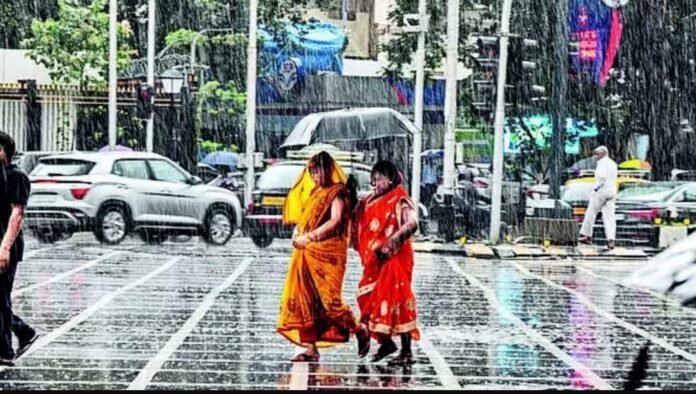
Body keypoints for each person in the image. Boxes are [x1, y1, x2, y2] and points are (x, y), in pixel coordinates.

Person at [277, 151, 369, 362]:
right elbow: (305, 219)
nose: (315, 175)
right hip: (306, 252)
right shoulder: (316, 192)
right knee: (306, 299)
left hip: (328, 254)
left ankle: (358, 329)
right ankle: (309, 347)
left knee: (330, 301)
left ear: (328, 169)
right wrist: (298, 233)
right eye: (311, 171)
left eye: (317, 170)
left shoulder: (338, 193)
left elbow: (336, 221)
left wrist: (310, 237)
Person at [353, 160, 420, 366]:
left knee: (397, 300)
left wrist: (392, 242)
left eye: (379, 179)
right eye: (373, 179)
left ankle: (407, 352)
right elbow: (355, 218)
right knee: (368, 299)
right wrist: (350, 191)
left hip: (395, 259)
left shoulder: (400, 199)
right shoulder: (370, 200)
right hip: (375, 262)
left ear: (390, 179)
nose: (375, 183)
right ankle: (387, 343)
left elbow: (412, 223)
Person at [0, 131, 39, 365]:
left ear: (5, 151)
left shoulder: (16, 177)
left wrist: (4, 248)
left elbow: (17, 214)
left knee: (1, 298)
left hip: (6, 244)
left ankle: (4, 350)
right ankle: (22, 331)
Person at [578, 146, 618, 249]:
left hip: (602, 191)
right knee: (609, 217)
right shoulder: (613, 163)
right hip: (611, 191)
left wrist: (595, 188)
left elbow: (602, 177)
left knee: (591, 212)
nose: (595, 156)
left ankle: (587, 235)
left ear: (603, 153)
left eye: (597, 154)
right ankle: (611, 240)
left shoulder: (602, 163)